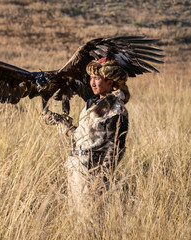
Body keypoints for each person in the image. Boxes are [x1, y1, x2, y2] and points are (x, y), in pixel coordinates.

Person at [43, 57, 130, 216]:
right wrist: (62, 123)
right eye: (91, 78)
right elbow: (85, 137)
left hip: (93, 174)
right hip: (77, 170)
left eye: (97, 79)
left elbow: (116, 147)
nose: (92, 83)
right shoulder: (93, 103)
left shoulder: (116, 110)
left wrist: (102, 177)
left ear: (110, 83)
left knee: (90, 223)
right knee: (76, 221)